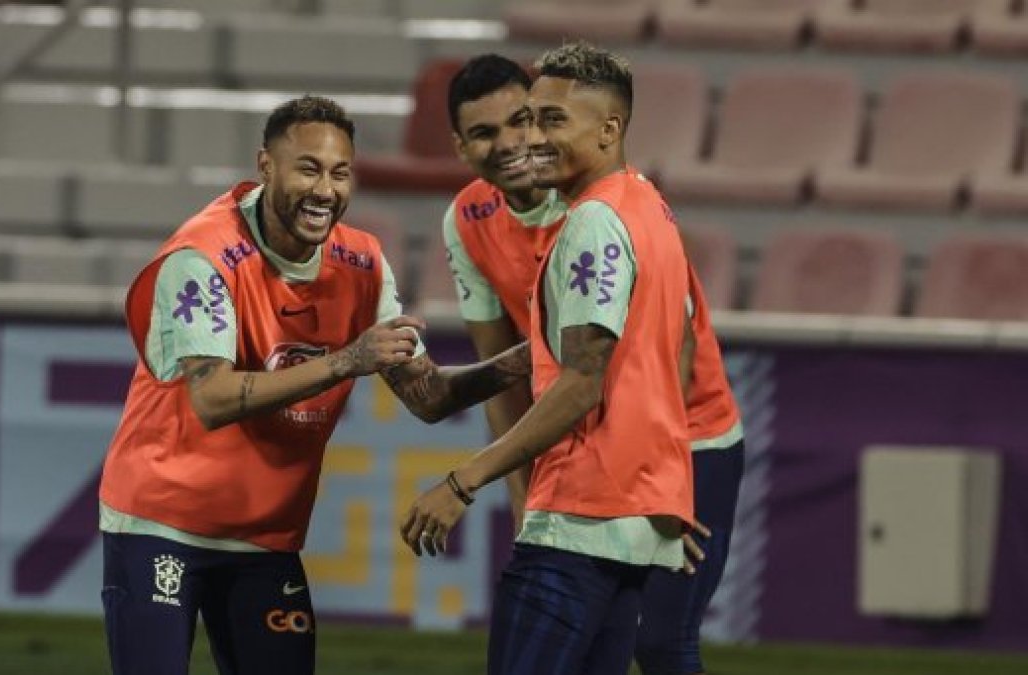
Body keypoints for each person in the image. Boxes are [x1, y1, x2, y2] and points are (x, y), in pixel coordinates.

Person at [98, 95, 531, 675]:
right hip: (162, 523)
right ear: (266, 165)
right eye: (308, 168)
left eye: (340, 172)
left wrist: (532, 359)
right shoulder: (201, 257)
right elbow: (213, 398)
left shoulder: (364, 264)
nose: (325, 190)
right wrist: (345, 361)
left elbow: (428, 399)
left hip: (265, 538)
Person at [441, 54, 746, 675]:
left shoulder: (595, 213)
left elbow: (670, 350)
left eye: (529, 121)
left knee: (660, 640)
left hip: (683, 439)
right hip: (603, 451)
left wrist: (658, 483)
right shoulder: (473, 221)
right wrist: (526, 496)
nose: (515, 142)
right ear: (461, 146)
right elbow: (507, 370)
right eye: (487, 132)